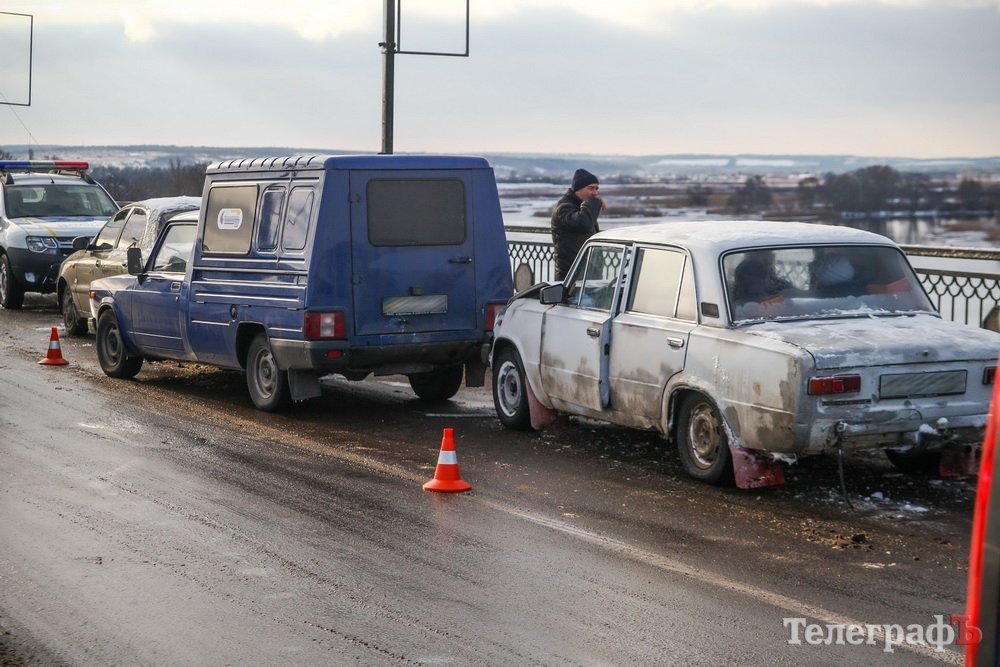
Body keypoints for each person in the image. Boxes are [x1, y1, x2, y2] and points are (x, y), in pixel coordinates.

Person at [551, 168, 605, 280]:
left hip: (588, 274)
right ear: (578, 189)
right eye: (590, 188)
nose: (595, 193)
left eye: (596, 188)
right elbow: (583, 223)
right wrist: (593, 203)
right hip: (571, 276)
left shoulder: (582, 207)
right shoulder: (564, 208)